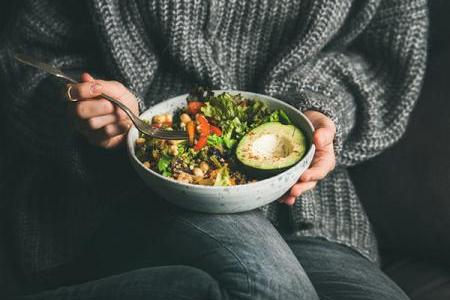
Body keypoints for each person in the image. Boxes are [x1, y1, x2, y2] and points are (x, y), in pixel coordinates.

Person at [0, 0, 428, 299]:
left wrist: (323, 112)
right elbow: (26, 58)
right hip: (132, 185)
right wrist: (85, 105)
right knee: (267, 289)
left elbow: (383, 54)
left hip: (310, 206)